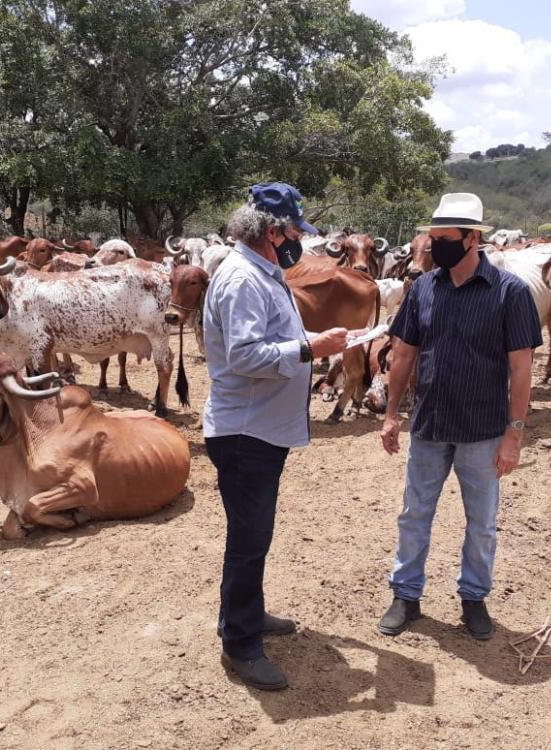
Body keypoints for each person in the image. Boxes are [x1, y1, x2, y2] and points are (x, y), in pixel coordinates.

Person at [377, 193, 543, 640]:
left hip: (483, 429)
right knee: (414, 514)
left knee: (481, 523)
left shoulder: (509, 293)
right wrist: (391, 414)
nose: (436, 248)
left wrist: (514, 435)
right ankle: (406, 595)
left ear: (472, 239)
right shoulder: (423, 289)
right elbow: (404, 353)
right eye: (433, 239)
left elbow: (521, 368)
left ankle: (473, 597)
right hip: (430, 424)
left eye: (445, 239)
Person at [204, 181, 349, 690]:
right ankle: (241, 644)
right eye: (294, 232)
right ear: (272, 231)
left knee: (254, 535)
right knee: (248, 539)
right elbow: (246, 356)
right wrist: (310, 350)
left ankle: (246, 613)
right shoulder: (244, 279)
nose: (299, 241)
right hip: (246, 432)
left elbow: (273, 340)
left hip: (260, 429)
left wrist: (313, 341)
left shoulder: (262, 273)